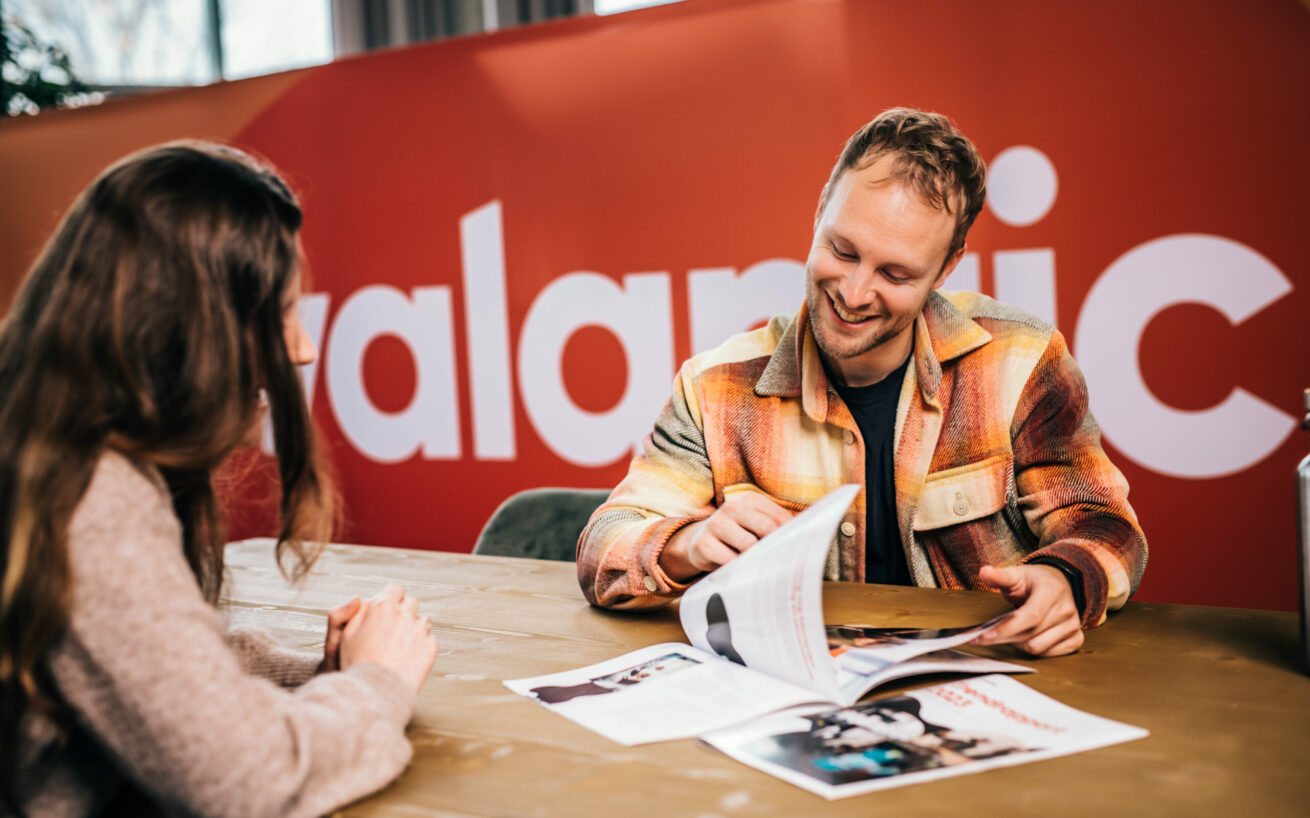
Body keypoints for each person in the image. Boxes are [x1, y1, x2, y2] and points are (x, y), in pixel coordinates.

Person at [577, 108, 1147, 657]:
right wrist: (685, 547)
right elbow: (605, 543)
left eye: (895, 274)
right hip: (796, 700)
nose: (852, 293)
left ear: (946, 267)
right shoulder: (714, 387)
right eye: (841, 250)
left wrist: (1063, 579)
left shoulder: (1020, 360)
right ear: (820, 211)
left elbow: (1105, 525)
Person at [0, 142, 440, 817]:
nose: (303, 349)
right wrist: (378, 682)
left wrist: (317, 675)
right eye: (280, 315)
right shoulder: (93, 497)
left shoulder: (52, 451)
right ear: (191, 328)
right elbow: (249, 778)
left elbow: (143, 664)